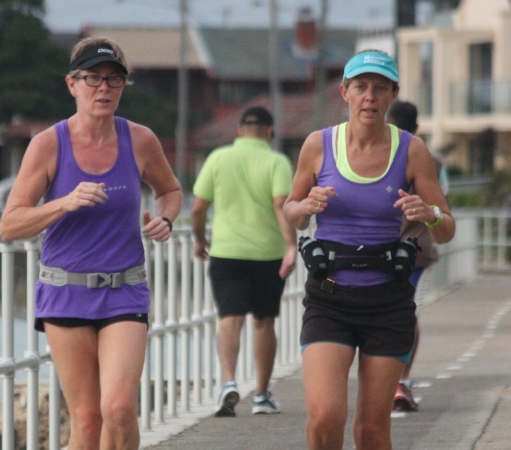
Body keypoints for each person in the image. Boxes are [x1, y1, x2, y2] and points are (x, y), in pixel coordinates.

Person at [0, 36, 182, 450]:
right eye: (93, 78)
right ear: (72, 84)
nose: (104, 88)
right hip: (65, 292)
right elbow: (10, 225)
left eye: (114, 79)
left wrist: (166, 218)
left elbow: (170, 190)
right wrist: (65, 202)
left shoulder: (140, 140)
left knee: (119, 408)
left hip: (125, 290)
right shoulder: (48, 144)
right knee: (87, 419)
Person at [283, 50, 455, 450]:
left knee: (372, 430)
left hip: (387, 302)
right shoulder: (318, 145)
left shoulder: (411, 150)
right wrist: (305, 206)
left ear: (393, 94)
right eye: (361, 87)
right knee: (325, 416)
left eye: (380, 88)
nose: (370, 97)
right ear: (345, 92)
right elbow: (291, 211)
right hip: (329, 299)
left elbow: (446, 229)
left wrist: (429, 214)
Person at [191, 106, 297, 417]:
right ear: (270, 131)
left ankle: (228, 382)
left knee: (229, 317)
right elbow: (280, 205)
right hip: (268, 254)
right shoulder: (277, 161)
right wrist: (291, 245)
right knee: (264, 321)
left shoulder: (217, 158)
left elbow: (197, 208)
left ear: (239, 131)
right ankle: (261, 396)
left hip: (226, 251)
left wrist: (200, 239)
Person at [386, 100, 449, 412]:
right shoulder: (434, 163)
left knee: (388, 315)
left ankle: (392, 382)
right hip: (418, 251)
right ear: (417, 127)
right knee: (408, 315)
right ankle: (401, 381)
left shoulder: (378, 155)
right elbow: (444, 204)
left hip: (381, 250)